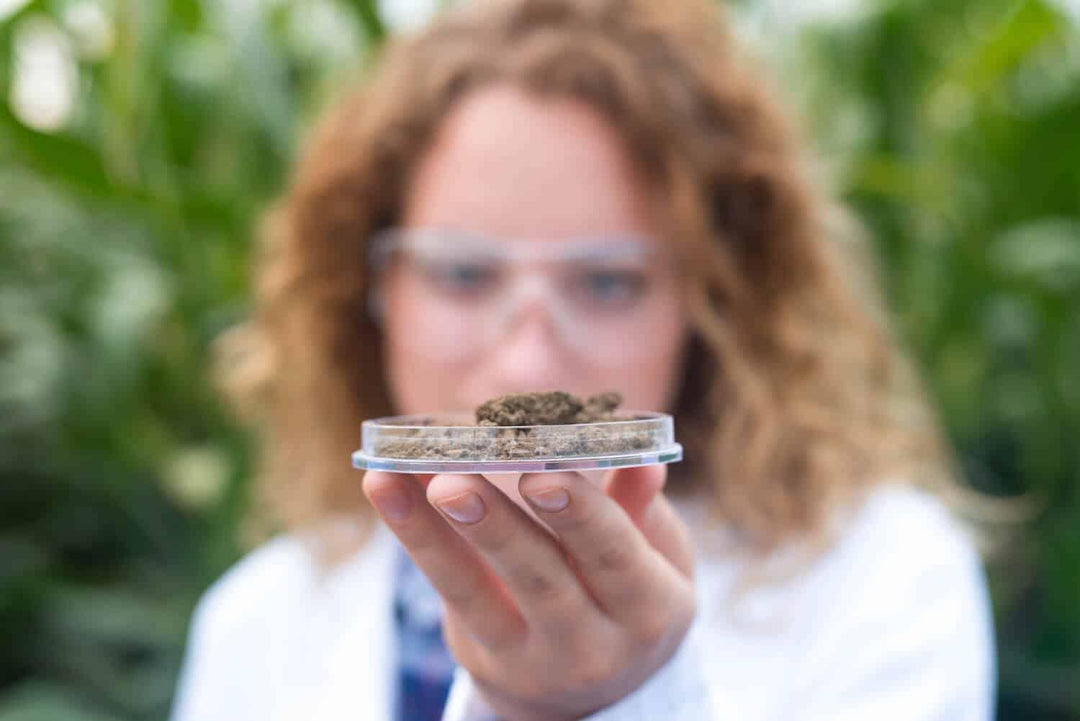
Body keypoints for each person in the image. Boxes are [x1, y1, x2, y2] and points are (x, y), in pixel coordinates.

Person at [170, 0, 995, 719]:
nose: (529, 367)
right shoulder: (254, 621)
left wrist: (623, 701)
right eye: (462, 274)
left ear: (709, 302)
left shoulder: (883, 578)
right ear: (374, 285)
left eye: (606, 282)